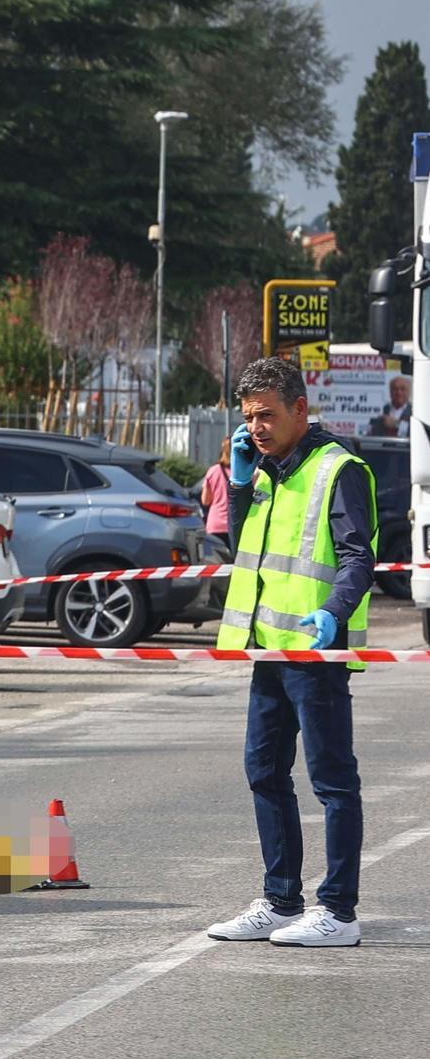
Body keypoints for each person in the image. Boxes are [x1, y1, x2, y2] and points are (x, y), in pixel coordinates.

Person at [204, 355, 374, 949]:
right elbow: (241, 548)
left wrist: (334, 612)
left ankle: (338, 912)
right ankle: (280, 901)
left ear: (301, 409)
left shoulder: (338, 468)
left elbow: (358, 556)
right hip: (270, 651)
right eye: (249, 417)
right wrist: (244, 485)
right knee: (264, 772)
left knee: (332, 782)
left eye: (267, 416)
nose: (256, 427)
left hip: (317, 653)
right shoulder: (268, 471)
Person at [198, 432, 233, 549]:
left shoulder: (213, 471)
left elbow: (205, 501)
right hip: (234, 525)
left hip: (215, 525)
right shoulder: (242, 473)